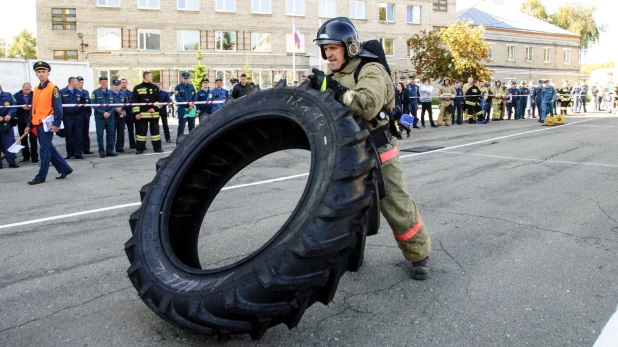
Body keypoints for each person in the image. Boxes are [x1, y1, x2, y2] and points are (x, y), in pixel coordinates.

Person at [310, 17, 431, 279]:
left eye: (333, 47)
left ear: (349, 46)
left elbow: (366, 105)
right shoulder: (335, 73)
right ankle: (352, 257)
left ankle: (419, 254)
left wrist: (332, 88)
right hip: (347, 153)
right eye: (325, 49)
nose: (328, 54)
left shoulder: (370, 70)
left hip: (379, 151)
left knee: (396, 206)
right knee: (348, 210)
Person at [23, 61, 73, 184]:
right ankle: (65, 168)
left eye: (43, 72)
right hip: (37, 123)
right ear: (36, 74)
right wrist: (29, 124)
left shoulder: (53, 88)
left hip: (47, 124)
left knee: (44, 150)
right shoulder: (36, 89)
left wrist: (56, 124)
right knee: (48, 148)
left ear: (48, 73)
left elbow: (58, 108)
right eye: (39, 72)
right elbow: (34, 109)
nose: (41, 74)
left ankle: (41, 176)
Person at [132, 71, 162, 154]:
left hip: (153, 114)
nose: (152, 78)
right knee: (141, 133)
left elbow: (159, 101)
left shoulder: (155, 88)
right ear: (145, 77)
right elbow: (135, 102)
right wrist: (136, 113)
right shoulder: (137, 88)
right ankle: (140, 149)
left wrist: (154, 108)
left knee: (155, 133)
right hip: (142, 115)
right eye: (150, 76)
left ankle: (157, 148)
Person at [91, 76, 117, 158]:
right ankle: (101, 152)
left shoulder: (111, 92)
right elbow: (94, 105)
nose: (104, 83)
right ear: (99, 83)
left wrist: (109, 112)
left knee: (111, 134)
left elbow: (114, 104)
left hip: (110, 117)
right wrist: (103, 113)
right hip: (100, 117)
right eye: (102, 82)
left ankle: (110, 151)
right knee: (100, 135)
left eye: (105, 82)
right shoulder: (95, 92)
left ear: (107, 83)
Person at [60, 77, 84, 159]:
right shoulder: (62, 92)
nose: (78, 83)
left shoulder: (79, 92)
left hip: (78, 116)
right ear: (72, 82)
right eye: (77, 82)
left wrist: (81, 114)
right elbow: (59, 104)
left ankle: (78, 153)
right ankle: (70, 153)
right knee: (69, 135)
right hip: (67, 117)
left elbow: (83, 103)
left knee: (79, 135)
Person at [14, 82, 38, 163]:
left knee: (33, 139)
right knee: (23, 140)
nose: (27, 91)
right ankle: (26, 156)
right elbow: (13, 107)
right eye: (25, 89)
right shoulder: (16, 96)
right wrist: (21, 107)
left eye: (28, 89)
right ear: (22, 88)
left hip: (32, 120)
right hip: (21, 120)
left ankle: (34, 157)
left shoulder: (35, 95)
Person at [0, 84, 19, 168]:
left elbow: (14, 105)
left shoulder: (8, 95)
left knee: (9, 143)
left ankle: (12, 162)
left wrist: (9, 115)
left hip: (7, 123)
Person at [175, 72, 196, 136]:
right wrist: (188, 103)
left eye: (187, 78)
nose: (186, 80)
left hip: (191, 109)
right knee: (181, 126)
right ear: (182, 78)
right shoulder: (178, 87)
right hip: (183, 109)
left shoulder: (191, 86)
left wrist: (192, 104)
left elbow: (195, 96)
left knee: (192, 127)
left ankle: (192, 142)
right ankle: (179, 142)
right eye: (184, 78)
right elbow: (178, 97)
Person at [76, 76, 94, 154]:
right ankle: (78, 149)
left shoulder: (86, 92)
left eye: (82, 82)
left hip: (86, 115)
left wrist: (89, 113)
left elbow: (89, 103)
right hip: (78, 115)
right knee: (78, 133)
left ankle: (86, 149)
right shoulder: (75, 92)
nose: (81, 84)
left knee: (85, 132)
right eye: (79, 82)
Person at [110, 79, 128, 152]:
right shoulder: (110, 94)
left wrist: (121, 108)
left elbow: (126, 103)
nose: (117, 86)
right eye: (115, 85)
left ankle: (120, 147)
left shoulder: (123, 94)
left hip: (121, 114)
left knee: (121, 132)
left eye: (118, 85)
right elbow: (108, 104)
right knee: (112, 132)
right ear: (112, 86)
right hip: (113, 115)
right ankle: (111, 147)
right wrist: (115, 109)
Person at [120, 78, 136, 149]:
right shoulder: (118, 93)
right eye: (122, 82)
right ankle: (120, 146)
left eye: (125, 82)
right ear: (120, 84)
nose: (124, 84)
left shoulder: (130, 93)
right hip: (122, 113)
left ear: (127, 83)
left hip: (129, 113)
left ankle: (132, 144)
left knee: (131, 130)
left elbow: (133, 103)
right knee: (121, 130)